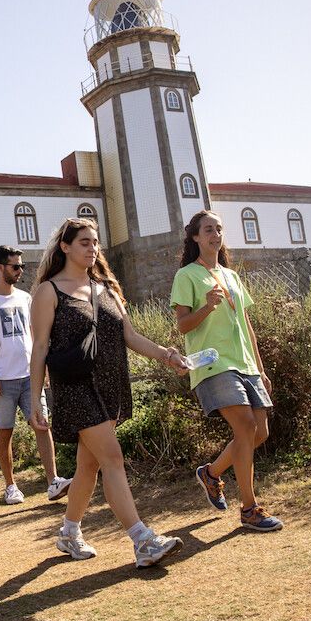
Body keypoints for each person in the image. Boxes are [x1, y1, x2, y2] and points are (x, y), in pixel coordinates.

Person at [28, 217, 190, 568]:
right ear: (65, 247)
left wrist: (167, 355)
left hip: (111, 384)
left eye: (95, 241)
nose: (92, 248)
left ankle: (69, 533)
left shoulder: (107, 289)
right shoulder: (48, 291)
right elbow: (39, 347)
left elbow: (129, 336)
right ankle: (142, 540)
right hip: (74, 388)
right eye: (84, 242)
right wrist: (35, 398)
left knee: (89, 466)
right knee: (113, 459)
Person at [171, 210, 283, 532]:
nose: (215, 235)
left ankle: (211, 473)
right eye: (208, 230)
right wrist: (206, 306)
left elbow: (247, 326)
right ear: (195, 237)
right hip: (213, 363)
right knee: (245, 425)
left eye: (219, 229)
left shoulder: (231, 276)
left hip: (246, 363)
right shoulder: (187, 276)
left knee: (259, 433)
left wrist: (260, 370)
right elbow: (182, 325)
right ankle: (249, 509)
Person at [0, 245, 72, 505]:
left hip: (30, 376)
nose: (20, 271)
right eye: (15, 266)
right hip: (1, 380)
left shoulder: (26, 298)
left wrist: (44, 367)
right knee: (5, 432)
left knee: (41, 424)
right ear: (0, 268)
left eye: (21, 266)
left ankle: (53, 481)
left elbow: (37, 336)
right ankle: (10, 485)